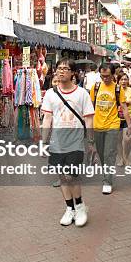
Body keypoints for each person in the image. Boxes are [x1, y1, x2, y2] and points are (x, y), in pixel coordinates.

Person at [41, 58, 94, 227]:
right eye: (59, 68)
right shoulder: (50, 93)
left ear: (73, 73)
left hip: (76, 141)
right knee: (62, 176)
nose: (61, 71)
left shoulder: (82, 94)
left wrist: (91, 141)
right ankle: (69, 208)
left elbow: (89, 120)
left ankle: (79, 206)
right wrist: (43, 142)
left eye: (65, 68)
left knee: (72, 175)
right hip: (57, 142)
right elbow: (47, 119)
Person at [90, 64, 131, 194]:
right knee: (101, 154)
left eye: (108, 76)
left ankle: (107, 181)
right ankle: (106, 174)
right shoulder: (95, 87)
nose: (105, 79)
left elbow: (124, 108)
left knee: (109, 153)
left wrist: (129, 125)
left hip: (113, 125)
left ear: (113, 75)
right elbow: (90, 107)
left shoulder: (118, 89)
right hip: (97, 125)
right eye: (103, 76)